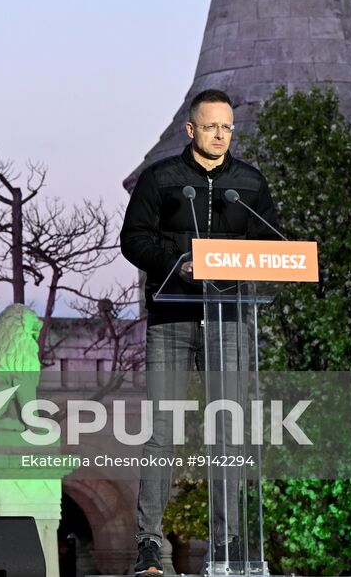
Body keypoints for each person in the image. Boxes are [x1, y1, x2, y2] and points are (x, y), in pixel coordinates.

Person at [120, 88, 278, 576]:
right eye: (210, 127)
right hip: (173, 316)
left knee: (227, 430)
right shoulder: (161, 178)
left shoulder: (248, 183)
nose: (219, 135)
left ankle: (226, 540)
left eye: (227, 127)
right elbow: (133, 240)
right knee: (162, 431)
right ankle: (149, 544)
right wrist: (178, 263)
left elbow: (271, 243)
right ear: (191, 129)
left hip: (230, 318)